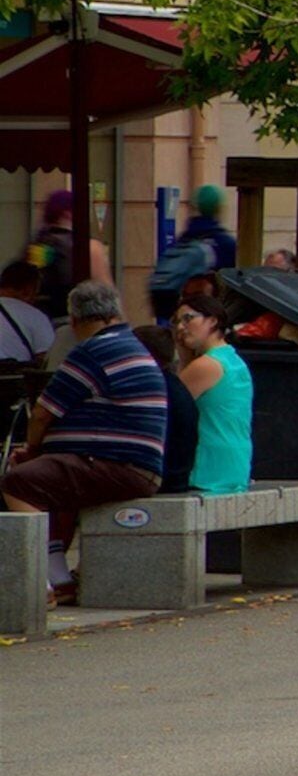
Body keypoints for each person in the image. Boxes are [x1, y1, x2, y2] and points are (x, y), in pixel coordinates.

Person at [5, 284, 172, 602]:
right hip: (138, 467)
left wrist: (33, 450)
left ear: (75, 319)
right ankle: (60, 578)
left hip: (114, 465)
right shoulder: (132, 345)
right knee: (51, 480)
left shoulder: (93, 351)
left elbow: (42, 413)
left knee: (18, 482)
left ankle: (39, 583)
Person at [164, 297, 254, 497]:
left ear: (213, 321)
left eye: (188, 319)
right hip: (234, 462)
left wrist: (183, 357)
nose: (181, 327)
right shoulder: (232, 359)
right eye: (176, 321)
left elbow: (169, 407)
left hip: (208, 467)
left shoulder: (206, 365)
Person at [147, 185, 237, 322]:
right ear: (219, 209)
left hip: (178, 316)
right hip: (206, 319)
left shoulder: (184, 239)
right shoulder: (225, 244)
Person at [0, 263, 58, 370]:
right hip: (11, 381)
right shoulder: (36, 317)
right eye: (36, 292)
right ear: (28, 290)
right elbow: (47, 360)